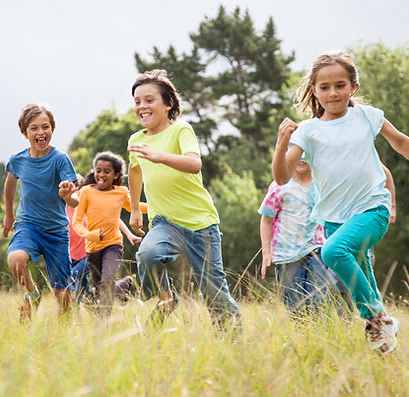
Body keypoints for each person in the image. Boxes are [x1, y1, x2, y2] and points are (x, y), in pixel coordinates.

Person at [272, 50, 409, 354]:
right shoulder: (309, 131)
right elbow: (282, 176)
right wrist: (281, 144)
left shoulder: (366, 116)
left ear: (353, 86)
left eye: (340, 85)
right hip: (333, 219)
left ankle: (376, 317)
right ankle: (383, 341)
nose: (332, 92)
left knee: (332, 252)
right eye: (324, 87)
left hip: (372, 209)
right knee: (362, 271)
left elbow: (401, 142)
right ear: (314, 90)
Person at [127, 69, 241, 329]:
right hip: (164, 222)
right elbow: (134, 170)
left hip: (200, 224)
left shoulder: (181, 129)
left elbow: (194, 163)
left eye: (149, 100)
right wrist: (134, 208)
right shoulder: (136, 140)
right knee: (147, 254)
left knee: (213, 291)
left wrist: (159, 156)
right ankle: (167, 298)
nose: (142, 106)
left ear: (168, 104)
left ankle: (233, 340)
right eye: (137, 102)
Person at [2, 103, 78, 322]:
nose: (41, 132)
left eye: (46, 127)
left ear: (52, 129)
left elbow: (75, 200)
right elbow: (10, 183)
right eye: (34, 128)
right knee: (16, 259)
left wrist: (67, 194)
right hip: (29, 225)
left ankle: (63, 330)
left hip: (56, 231)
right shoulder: (18, 160)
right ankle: (33, 294)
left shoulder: (60, 159)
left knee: (62, 293)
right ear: (25, 133)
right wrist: (9, 214)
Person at [259, 161, 342, 314]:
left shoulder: (322, 184)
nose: (302, 158)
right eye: (297, 151)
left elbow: (333, 217)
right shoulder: (279, 185)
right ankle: (302, 337)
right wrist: (266, 253)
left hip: (317, 251)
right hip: (286, 257)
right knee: (295, 310)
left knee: (320, 302)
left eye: (306, 151)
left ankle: (321, 334)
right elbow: (266, 219)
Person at [72, 151, 145, 316]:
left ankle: (103, 322)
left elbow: (136, 207)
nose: (101, 175)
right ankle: (124, 285)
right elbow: (76, 223)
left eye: (107, 171)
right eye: (98, 170)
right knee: (100, 290)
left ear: (116, 175)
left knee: (106, 281)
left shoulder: (120, 192)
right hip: (92, 249)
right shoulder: (86, 192)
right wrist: (92, 235)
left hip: (113, 245)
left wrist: (159, 206)